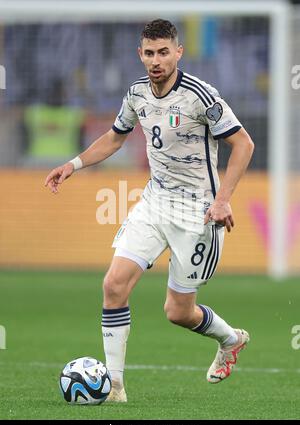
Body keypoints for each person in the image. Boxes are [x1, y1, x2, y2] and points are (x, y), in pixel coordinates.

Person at [45, 19, 254, 402]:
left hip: (198, 214)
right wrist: (72, 164)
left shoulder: (200, 96)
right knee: (113, 285)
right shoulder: (137, 93)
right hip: (155, 203)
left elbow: (243, 144)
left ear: (178, 52)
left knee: (177, 312)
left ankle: (229, 339)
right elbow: (114, 137)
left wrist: (222, 199)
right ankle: (116, 388)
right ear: (140, 54)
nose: (156, 60)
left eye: (163, 52)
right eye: (149, 53)